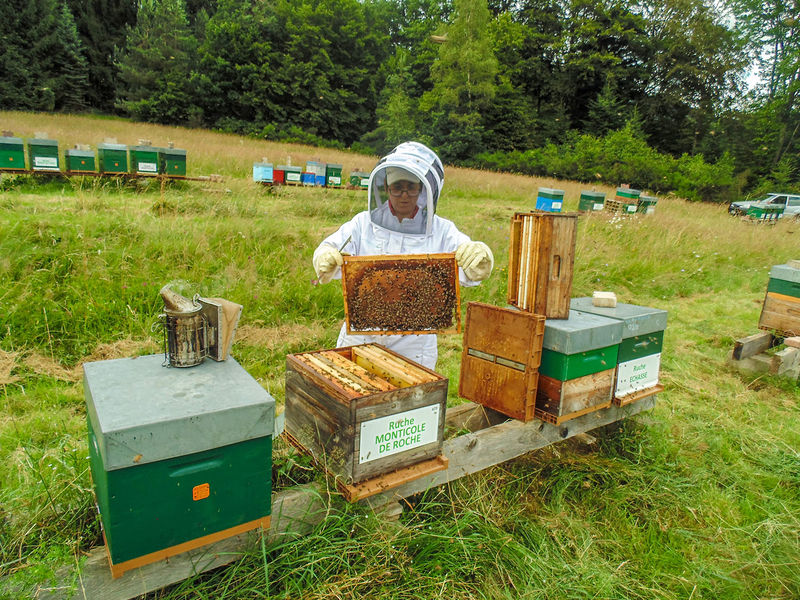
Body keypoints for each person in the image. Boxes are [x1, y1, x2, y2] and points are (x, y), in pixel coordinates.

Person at [312, 141, 493, 370]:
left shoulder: (442, 231)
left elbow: (469, 263)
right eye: (397, 187)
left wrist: (479, 258)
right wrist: (325, 256)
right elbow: (330, 247)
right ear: (387, 189)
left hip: (414, 345)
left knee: (411, 404)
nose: (404, 195)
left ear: (423, 190)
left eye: (411, 188)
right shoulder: (362, 223)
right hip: (361, 337)